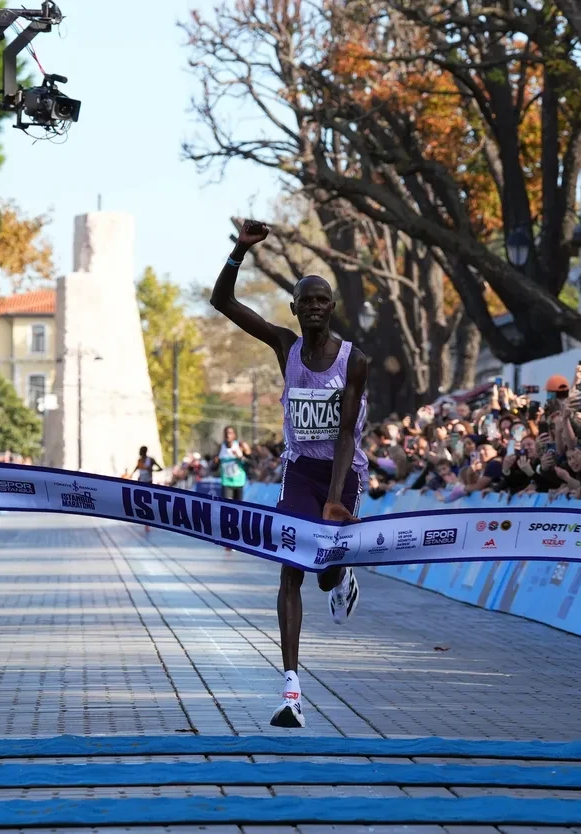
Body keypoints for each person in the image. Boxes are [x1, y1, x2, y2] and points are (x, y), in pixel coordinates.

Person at [211, 219, 368, 729]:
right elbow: (224, 303)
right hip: (300, 471)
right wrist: (239, 251)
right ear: (296, 310)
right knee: (290, 566)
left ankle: (341, 573)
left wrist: (337, 497)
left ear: (332, 308)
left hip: (342, 472)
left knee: (324, 571)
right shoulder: (284, 347)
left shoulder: (354, 361)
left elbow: (346, 433)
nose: (317, 307)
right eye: (308, 301)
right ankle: (292, 691)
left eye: (324, 300)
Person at [217, 426, 251, 500]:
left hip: (239, 482)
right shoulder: (220, 447)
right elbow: (215, 467)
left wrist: (241, 457)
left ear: (234, 435)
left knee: (238, 507)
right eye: (226, 433)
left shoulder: (241, 446)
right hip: (226, 483)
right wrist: (215, 462)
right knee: (227, 506)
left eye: (230, 433)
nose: (227, 435)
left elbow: (253, 463)